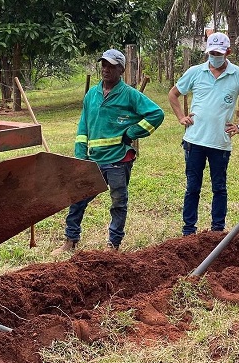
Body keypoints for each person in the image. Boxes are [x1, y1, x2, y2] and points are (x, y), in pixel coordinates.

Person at [51, 49, 164, 254]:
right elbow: (83, 125)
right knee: (78, 198)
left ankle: (113, 244)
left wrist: (133, 132)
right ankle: (70, 239)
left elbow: (157, 113)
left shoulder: (129, 95)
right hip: (92, 159)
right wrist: (80, 154)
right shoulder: (91, 95)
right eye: (103, 64)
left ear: (121, 69)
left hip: (118, 159)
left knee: (118, 202)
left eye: (111, 66)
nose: (106, 69)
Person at [168, 32, 239, 236]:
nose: (214, 56)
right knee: (193, 188)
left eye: (219, 52)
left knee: (219, 187)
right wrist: (181, 117)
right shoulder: (195, 72)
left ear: (228, 52)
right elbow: (173, 94)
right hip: (194, 141)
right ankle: (188, 231)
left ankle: (217, 231)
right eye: (211, 52)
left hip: (220, 142)